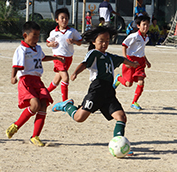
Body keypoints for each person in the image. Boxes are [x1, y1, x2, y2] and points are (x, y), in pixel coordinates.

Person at [52, 26, 139, 156]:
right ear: (94, 41)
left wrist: (133, 64)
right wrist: (75, 72)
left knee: (121, 117)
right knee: (79, 118)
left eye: (107, 40)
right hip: (97, 90)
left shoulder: (110, 57)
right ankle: (67, 106)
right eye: (101, 40)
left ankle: (120, 146)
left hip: (109, 92)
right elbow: (84, 63)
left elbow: (122, 59)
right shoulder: (94, 53)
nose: (104, 43)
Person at [6, 21, 65, 146]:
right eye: (34, 36)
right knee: (35, 105)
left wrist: (56, 58)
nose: (37, 38)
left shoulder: (38, 48)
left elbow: (42, 58)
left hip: (37, 81)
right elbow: (15, 65)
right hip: (26, 81)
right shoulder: (21, 49)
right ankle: (16, 126)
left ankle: (35, 136)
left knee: (43, 104)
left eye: (38, 36)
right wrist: (13, 77)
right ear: (25, 35)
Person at [113, 14, 151, 110]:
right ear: (138, 25)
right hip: (130, 61)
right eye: (144, 24)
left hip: (140, 62)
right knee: (128, 84)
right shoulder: (133, 36)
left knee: (141, 81)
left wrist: (146, 61)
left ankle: (134, 102)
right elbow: (124, 45)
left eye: (147, 25)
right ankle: (119, 79)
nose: (146, 27)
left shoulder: (146, 38)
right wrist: (125, 60)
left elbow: (141, 50)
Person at [46, 8, 82, 101]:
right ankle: (64, 101)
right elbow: (48, 42)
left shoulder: (72, 31)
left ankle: (43, 93)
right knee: (65, 78)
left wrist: (73, 41)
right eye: (62, 18)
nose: (64, 20)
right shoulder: (54, 32)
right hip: (58, 58)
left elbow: (80, 42)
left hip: (68, 58)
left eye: (66, 18)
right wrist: (51, 44)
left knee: (56, 80)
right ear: (57, 20)